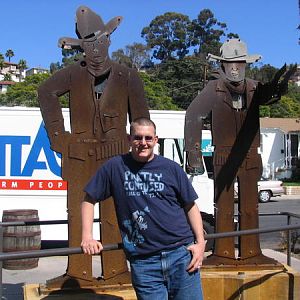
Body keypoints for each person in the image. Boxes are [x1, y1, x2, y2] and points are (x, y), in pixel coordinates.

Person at [38, 6, 149, 287]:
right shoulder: (73, 74)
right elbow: (45, 92)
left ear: (109, 40)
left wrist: (139, 149)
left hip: (116, 157)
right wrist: (59, 138)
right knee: (77, 214)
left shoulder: (127, 76)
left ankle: (115, 270)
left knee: (115, 215)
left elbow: (141, 118)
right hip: (78, 155)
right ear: (81, 47)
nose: (95, 49)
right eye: (88, 44)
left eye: (99, 41)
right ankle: (78, 273)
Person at [185, 38, 296, 266]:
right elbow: (193, 116)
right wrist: (194, 155)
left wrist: (280, 86)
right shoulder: (213, 89)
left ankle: (252, 251)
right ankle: (222, 252)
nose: (235, 69)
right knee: (223, 206)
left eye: (240, 63)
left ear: (246, 64)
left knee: (250, 206)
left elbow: (270, 95)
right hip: (223, 155)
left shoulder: (255, 88)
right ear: (223, 65)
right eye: (230, 63)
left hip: (249, 154)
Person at [81, 117, 205, 299]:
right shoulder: (115, 167)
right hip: (144, 261)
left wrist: (200, 242)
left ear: (155, 140)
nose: (143, 143)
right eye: (138, 138)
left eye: (148, 138)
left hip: (181, 255)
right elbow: (88, 199)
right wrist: (87, 237)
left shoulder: (171, 168)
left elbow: (190, 205)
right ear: (129, 139)